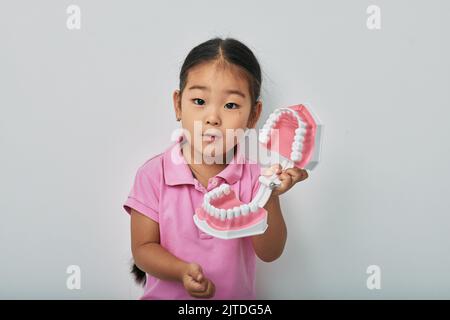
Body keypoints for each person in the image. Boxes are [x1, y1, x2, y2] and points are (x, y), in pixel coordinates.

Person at [123, 37, 308, 299]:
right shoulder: (153, 174)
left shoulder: (257, 176)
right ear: (178, 104)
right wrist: (180, 271)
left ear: (253, 116)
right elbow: (143, 248)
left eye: (231, 105)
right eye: (199, 101)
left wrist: (271, 197)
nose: (212, 117)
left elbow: (270, 252)